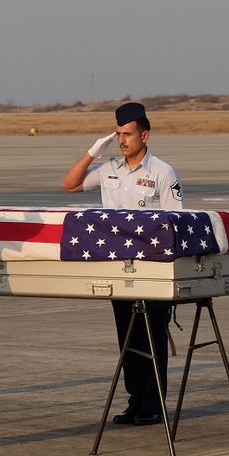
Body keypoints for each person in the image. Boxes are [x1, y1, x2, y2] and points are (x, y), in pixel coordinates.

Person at [62, 102, 184, 425]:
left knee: (152, 337)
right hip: (117, 268)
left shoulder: (161, 172)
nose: (122, 140)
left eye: (127, 134)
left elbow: (176, 219)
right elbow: (70, 184)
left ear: (145, 135)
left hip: (152, 269)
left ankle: (153, 405)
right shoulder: (110, 169)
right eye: (118, 134)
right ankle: (135, 401)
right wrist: (92, 152)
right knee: (128, 338)